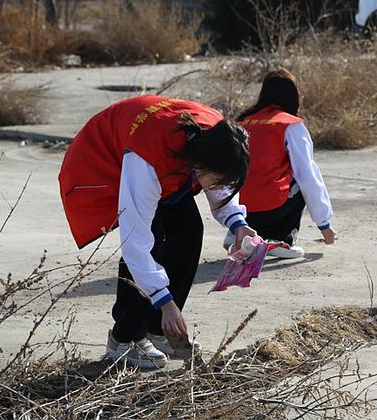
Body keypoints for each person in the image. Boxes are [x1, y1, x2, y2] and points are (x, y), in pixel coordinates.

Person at [58, 95, 255, 368]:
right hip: (102, 162)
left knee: (188, 231)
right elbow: (134, 242)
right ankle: (124, 339)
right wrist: (165, 302)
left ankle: (158, 331)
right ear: (201, 163)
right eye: (219, 179)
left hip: (166, 162)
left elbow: (220, 184)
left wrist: (238, 225)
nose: (220, 186)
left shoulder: (217, 138)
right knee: (151, 240)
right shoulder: (148, 157)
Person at [229, 69, 336, 259]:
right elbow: (308, 175)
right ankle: (280, 239)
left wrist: (233, 220)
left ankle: (238, 233)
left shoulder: (243, 121)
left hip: (241, 210)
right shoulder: (290, 125)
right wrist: (324, 224)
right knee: (298, 176)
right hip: (270, 208)